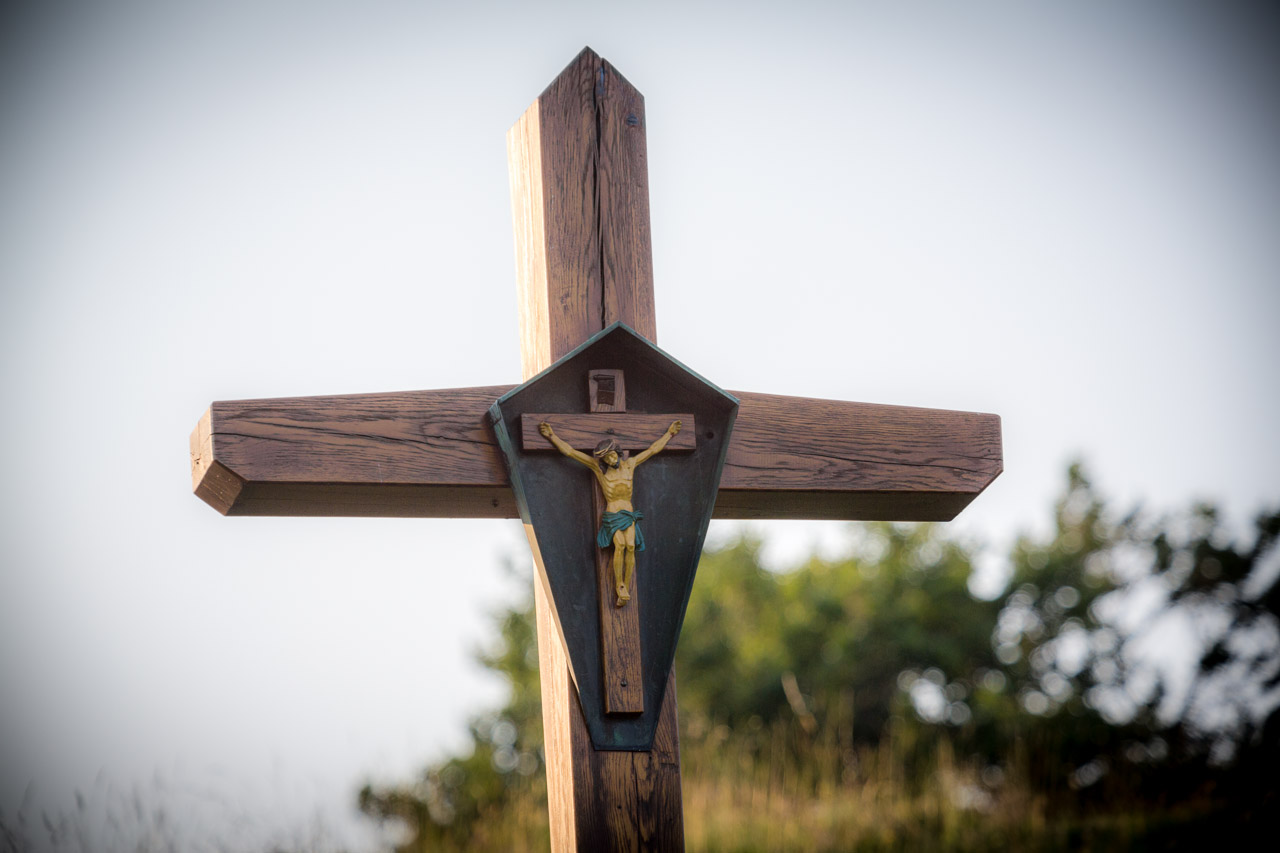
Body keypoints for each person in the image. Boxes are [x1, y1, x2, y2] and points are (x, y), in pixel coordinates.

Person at [538, 419, 682, 606]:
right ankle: (619, 584)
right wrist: (552, 436)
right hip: (613, 514)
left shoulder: (630, 464)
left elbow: (653, 450)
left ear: (618, 453)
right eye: (606, 459)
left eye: (612, 456)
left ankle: (626, 586)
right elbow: (571, 452)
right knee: (620, 545)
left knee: (631, 546)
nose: (611, 460)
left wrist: (670, 434)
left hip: (628, 514)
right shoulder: (599, 470)